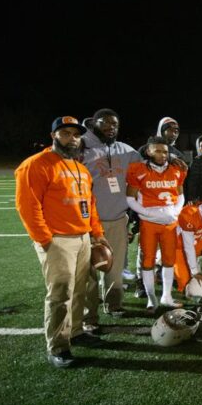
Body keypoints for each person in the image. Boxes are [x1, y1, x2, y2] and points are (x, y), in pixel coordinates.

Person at [15, 116, 109, 368]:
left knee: (79, 290)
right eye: (65, 133)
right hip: (58, 239)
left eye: (76, 134)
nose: (72, 138)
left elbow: (90, 205)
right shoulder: (36, 164)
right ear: (53, 136)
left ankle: (76, 331)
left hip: (82, 238)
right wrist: (45, 240)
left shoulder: (80, 168)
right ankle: (57, 346)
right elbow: (28, 207)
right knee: (60, 294)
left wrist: (96, 233)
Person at [80, 108, 142, 324]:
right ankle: (89, 315)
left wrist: (174, 159)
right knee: (88, 271)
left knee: (114, 267)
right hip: (87, 222)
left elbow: (150, 159)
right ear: (94, 123)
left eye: (114, 124)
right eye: (105, 123)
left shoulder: (126, 151)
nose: (110, 127)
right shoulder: (82, 148)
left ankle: (113, 304)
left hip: (117, 218)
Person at [126, 137, 187, 311]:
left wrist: (175, 211)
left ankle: (166, 296)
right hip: (149, 223)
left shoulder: (177, 169)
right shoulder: (138, 169)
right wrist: (148, 213)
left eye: (165, 151)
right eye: (158, 150)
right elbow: (130, 198)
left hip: (169, 223)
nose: (162, 154)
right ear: (148, 151)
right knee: (148, 261)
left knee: (169, 260)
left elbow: (181, 194)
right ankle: (151, 297)